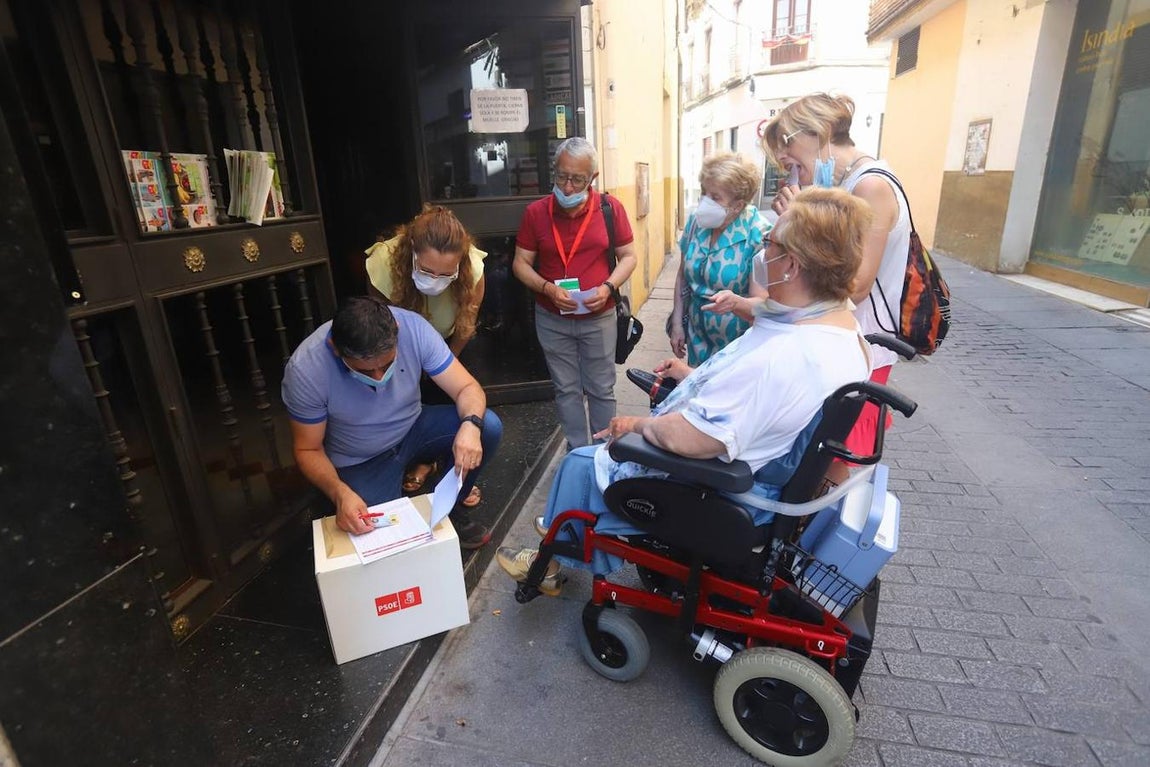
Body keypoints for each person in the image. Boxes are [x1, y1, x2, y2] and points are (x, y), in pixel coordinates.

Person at [497, 187, 874, 592]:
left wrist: (635, 425)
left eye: (770, 245)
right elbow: (757, 401)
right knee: (601, 454)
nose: (763, 253)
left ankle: (558, 553)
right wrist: (695, 376)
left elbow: (697, 440)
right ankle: (565, 525)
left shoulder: (789, 355)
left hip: (727, 487)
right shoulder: (841, 330)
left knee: (587, 460)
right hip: (757, 465)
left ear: (793, 265)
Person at [761, 92, 910, 469]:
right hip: (836, 347)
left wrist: (799, 222)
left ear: (820, 134)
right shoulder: (847, 184)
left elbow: (855, 285)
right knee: (819, 465)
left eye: (787, 142)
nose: (781, 157)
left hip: (858, 351)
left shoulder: (870, 187)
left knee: (837, 470)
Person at [281, 296, 502, 549]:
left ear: (396, 330)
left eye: (387, 364)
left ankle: (449, 510)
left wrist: (470, 426)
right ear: (334, 347)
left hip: (413, 427)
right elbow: (308, 449)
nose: (379, 376)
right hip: (360, 458)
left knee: (487, 427)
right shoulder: (306, 370)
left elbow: (467, 387)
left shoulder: (414, 329)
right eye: (364, 371)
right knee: (382, 539)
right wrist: (339, 493)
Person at [513, 137, 638, 450]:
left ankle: (604, 451)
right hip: (552, 317)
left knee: (601, 388)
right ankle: (578, 452)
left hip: (599, 317)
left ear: (592, 179)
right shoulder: (536, 213)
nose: (567, 187)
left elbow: (629, 256)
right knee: (566, 389)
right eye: (562, 176)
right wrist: (546, 287)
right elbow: (520, 263)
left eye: (577, 179)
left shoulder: (610, 209)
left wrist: (608, 287)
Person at [365, 205, 487, 506]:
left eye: (446, 274)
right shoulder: (383, 261)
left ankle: (457, 475)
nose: (435, 280)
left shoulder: (473, 266)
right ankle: (417, 461)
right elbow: (377, 320)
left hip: (446, 341)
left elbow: (466, 323)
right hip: (398, 344)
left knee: (455, 400)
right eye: (427, 271)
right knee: (406, 403)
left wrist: (443, 361)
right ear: (412, 253)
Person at [669, 152, 771, 365]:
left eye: (715, 197)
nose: (705, 202)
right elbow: (682, 276)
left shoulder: (758, 234)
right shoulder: (696, 224)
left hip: (736, 347)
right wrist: (677, 323)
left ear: (737, 205)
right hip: (698, 339)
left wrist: (735, 303)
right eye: (704, 193)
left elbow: (762, 302)